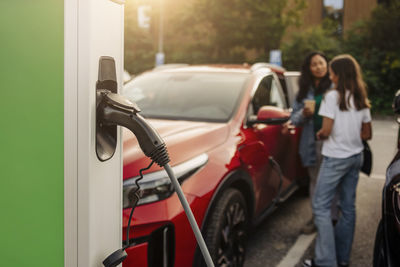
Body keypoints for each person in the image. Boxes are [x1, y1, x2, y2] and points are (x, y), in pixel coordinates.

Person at [303, 54, 372, 267]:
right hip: (355, 157)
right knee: (348, 208)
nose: (330, 75)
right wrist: (349, 132)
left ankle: (325, 261)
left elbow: (326, 130)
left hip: (335, 158)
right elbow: (366, 134)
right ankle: (342, 259)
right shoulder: (361, 97)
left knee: (321, 205)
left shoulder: (331, 97)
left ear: (338, 74)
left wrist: (320, 135)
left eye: (332, 71)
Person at [291, 51, 339, 234]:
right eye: (314, 64)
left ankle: (333, 218)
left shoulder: (335, 86)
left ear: (327, 65)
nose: (319, 67)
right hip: (312, 142)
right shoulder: (304, 91)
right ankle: (316, 217)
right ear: (309, 68)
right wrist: (303, 114)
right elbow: (293, 119)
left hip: (332, 141)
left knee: (332, 182)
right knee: (315, 181)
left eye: (321, 63)